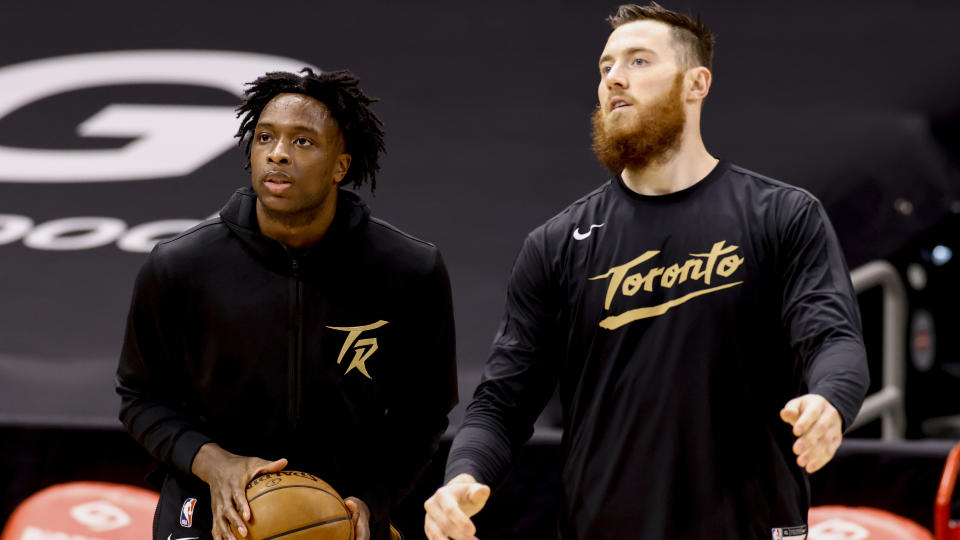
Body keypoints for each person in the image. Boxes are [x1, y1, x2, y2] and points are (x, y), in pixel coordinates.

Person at [424, 3, 869, 539]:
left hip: (752, 526)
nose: (614, 78)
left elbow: (833, 338)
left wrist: (830, 400)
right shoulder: (557, 243)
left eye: (637, 61)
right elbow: (503, 402)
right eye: (605, 67)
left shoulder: (782, 215)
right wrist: (461, 476)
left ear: (696, 83)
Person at [117, 68, 457, 540]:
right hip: (210, 505)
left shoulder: (409, 271)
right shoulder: (180, 266)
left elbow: (422, 412)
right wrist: (216, 464)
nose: (277, 153)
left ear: (341, 165)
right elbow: (140, 397)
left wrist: (373, 498)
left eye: (303, 142)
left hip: (342, 512)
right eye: (265, 137)